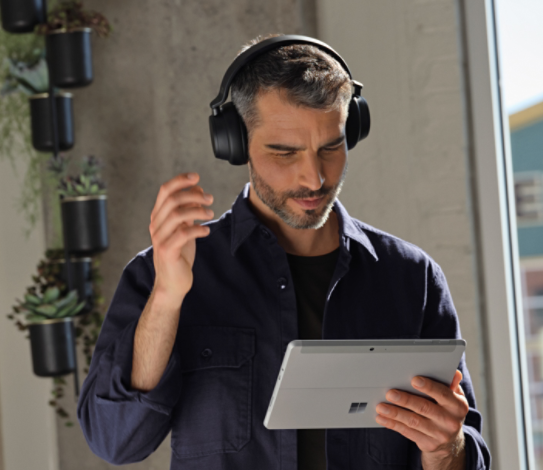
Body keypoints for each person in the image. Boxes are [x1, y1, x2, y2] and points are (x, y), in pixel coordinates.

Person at [77, 34, 491, 470]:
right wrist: (166, 299)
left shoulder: (413, 279)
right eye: (284, 152)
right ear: (235, 143)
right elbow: (113, 440)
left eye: (330, 147)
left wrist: (447, 449)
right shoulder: (163, 273)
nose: (313, 178)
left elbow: (462, 450)